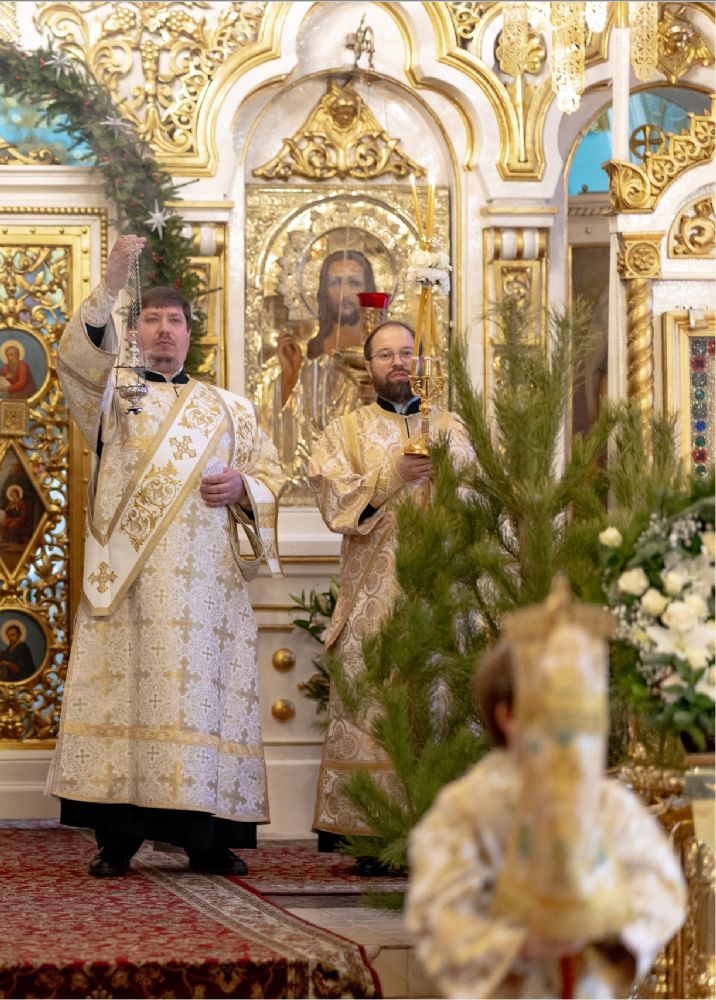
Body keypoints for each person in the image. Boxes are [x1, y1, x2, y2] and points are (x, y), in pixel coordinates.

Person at [45, 234, 283, 878]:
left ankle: (208, 839)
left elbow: (271, 475)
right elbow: (75, 360)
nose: (163, 331)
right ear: (136, 331)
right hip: (131, 589)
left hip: (207, 597)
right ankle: (116, 840)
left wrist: (244, 489)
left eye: (174, 320)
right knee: (125, 702)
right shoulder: (111, 397)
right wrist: (111, 285)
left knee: (202, 708)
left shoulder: (230, 410)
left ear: (189, 333)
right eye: (151, 320)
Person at [405, 582, 686, 998]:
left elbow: (660, 886)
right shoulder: (469, 807)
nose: (568, 728)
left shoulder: (607, 802)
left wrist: (603, 925)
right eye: (552, 707)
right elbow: (437, 912)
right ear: (508, 715)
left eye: (580, 711)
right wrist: (521, 943)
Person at [305, 320, 473, 862]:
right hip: (373, 600)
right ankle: (371, 833)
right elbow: (334, 501)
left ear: (421, 362)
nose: (399, 362)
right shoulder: (345, 433)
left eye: (407, 353)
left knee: (443, 707)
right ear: (368, 365)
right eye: (385, 355)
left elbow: (482, 496)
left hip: (444, 595)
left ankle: (446, 833)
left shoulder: (453, 426)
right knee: (375, 708)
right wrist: (393, 475)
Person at [253, 249, 378, 491]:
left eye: (354, 283)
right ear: (323, 291)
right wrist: (290, 378)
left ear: (368, 290)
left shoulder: (381, 361)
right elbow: (281, 438)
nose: (344, 292)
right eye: (335, 283)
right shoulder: (304, 360)